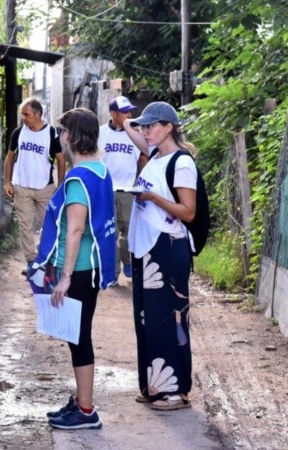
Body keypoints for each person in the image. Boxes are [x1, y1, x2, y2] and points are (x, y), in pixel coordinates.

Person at [36, 108, 116, 430]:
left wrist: (65, 277)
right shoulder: (99, 170)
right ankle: (82, 401)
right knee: (77, 336)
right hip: (91, 266)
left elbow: (76, 229)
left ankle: (85, 410)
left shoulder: (80, 178)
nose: (60, 137)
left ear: (72, 136)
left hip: (80, 270)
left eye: (62, 131)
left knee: (79, 338)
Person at [127, 101, 197, 411]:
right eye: (142, 126)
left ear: (168, 127)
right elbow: (135, 136)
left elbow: (188, 212)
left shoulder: (181, 163)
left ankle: (175, 391)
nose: (145, 131)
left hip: (166, 249)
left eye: (151, 126)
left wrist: (152, 197)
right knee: (148, 320)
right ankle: (154, 386)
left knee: (170, 319)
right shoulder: (156, 155)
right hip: (147, 249)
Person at [3, 98, 65, 270]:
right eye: (22, 114)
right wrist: (7, 182)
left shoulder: (52, 133)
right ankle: (31, 261)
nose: (23, 117)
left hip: (45, 188)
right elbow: (9, 158)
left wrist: (60, 187)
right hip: (22, 186)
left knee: (49, 225)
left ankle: (44, 258)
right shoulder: (18, 133)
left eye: (26, 114)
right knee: (25, 226)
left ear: (38, 114)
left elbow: (61, 161)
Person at [98, 96, 148, 280]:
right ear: (113, 114)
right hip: (107, 190)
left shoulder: (135, 133)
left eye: (129, 111)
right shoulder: (101, 133)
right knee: (110, 232)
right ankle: (112, 272)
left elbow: (143, 159)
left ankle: (127, 261)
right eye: (124, 112)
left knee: (128, 232)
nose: (129, 115)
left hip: (128, 189)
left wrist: (145, 184)